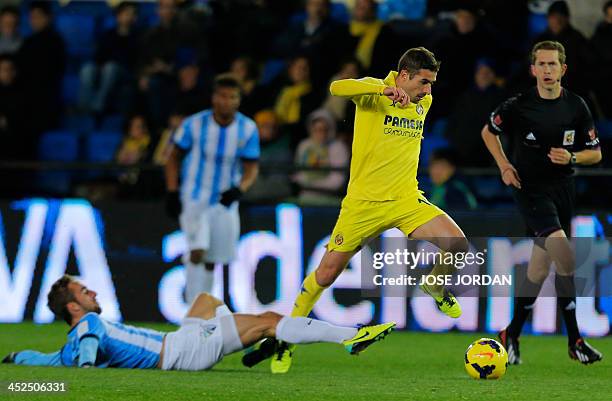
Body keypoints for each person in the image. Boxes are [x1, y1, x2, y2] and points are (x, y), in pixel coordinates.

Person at [251, 47, 469, 374]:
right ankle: (286, 339)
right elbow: (336, 88)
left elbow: (416, 104)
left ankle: (435, 286)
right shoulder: (372, 92)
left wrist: (414, 94)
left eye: (432, 83)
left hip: (405, 199)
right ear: (404, 75)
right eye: (424, 82)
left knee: (457, 245)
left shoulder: (424, 102)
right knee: (325, 275)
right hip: (363, 206)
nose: (428, 90)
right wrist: (382, 89)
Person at [481, 40, 603, 365]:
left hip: (563, 190)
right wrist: (504, 165)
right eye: (542, 64)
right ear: (533, 69)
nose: (547, 70)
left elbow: (596, 153)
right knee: (565, 255)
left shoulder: (577, 106)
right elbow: (488, 132)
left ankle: (511, 334)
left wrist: (572, 156)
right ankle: (575, 340)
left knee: (538, 269)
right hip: (530, 190)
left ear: (563, 69)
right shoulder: (519, 105)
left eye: (553, 65)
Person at [1, 275, 396, 370]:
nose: (94, 295)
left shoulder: (66, 347)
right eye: (85, 293)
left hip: (177, 338)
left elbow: (43, 360)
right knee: (271, 320)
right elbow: (86, 357)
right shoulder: (88, 328)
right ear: (73, 308)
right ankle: (350, 337)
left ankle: (256, 342)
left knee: (207, 298)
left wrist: (14, 358)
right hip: (182, 353)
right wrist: (87, 368)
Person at [164, 74, 259, 304]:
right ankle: (191, 308)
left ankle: (201, 305)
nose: (226, 101)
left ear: (238, 100)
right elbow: (173, 157)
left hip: (224, 200)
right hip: (194, 195)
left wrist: (240, 189)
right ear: (214, 98)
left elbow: (252, 167)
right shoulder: (194, 124)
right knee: (197, 250)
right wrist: (172, 191)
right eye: (222, 96)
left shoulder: (247, 128)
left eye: (232, 97)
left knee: (212, 259)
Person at [78, 1, 141, 115]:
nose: (129, 17)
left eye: (132, 14)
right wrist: (101, 66)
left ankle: (98, 106)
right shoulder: (108, 35)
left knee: (111, 68)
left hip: (125, 72)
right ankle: (84, 106)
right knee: (87, 69)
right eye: (126, 13)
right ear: (118, 15)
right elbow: (98, 56)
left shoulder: (138, 37)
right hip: (104, 69)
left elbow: (134, 61)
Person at [293, 109, 349, 205]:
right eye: (316, 130)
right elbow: (298, 174)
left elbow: (337, 180)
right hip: (306, 196)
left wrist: (314, 185)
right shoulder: (304, 145)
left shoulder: (338, 147)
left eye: (324, 130)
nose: (320, 134)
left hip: (331, 198)